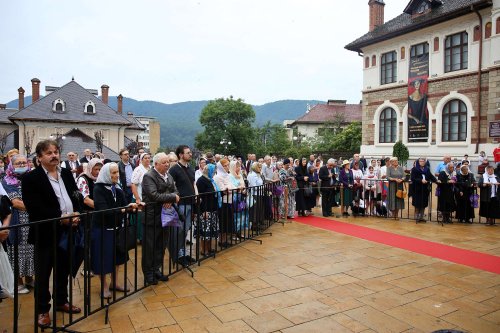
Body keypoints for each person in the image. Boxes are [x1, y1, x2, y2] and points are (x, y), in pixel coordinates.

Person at [22, 140, 82, 328]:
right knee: (43, 273)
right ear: (39, 157)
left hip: (68, 230)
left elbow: (76, 195)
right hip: (46, 232)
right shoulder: (32, 178)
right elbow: (34, 207)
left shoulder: (65, 173)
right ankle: (42, 310)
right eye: (49, 153)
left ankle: (61, 301)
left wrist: (78, 212)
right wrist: (60, 217)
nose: (54, 155)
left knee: (63, 269)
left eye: (56, 152)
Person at [92, 163, 136, 298]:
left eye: (117, 172)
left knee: (117, 257)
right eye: (113, 173)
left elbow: (124, 205)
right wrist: (124, 209)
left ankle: (114, 283)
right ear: (106, 174)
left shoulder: (117, 188)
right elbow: (104, 210)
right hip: (103, 229)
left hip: (117, 228)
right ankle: (104, 287)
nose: (117, 175)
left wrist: (133, 207)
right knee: (103, 258)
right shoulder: (98, 189)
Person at [141, 153, 180, 284]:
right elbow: (153, 195)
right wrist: (171, 197)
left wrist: (171, 197)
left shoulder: (168, 175)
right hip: (152, 217)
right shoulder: (148, 176)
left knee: (161, 245)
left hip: (166, 217)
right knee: (150, 247)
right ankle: (148, 274)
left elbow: (176, 191)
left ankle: (156, 269)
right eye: (164, 162)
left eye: (168, 162)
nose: (167, 164)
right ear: (156, 164)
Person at [1, 154, 34, 295]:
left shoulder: (31, 179)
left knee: (31, 250)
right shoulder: (7, 181)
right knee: (18, 251)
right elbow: (15, 202)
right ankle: (18, 282)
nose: (21, 165)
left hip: (32, 221)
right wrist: (36, 206)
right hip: (18, 222)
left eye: (23, 163)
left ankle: (29, 278)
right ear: (11, 165)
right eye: (17, 163)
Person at [168, 145, 196, 248]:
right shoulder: (174, 170)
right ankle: (178, 253)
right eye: (188, 153)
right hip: (181, 204)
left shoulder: (190, 168)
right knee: (179, 230)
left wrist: (196, 195)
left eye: (190, 152)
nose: (190, 154)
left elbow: (193, 183)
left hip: (190, 202)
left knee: (186, 228)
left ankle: (181, 251)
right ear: (180, 155)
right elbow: (170, 186)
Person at [195, 163, 220, 255]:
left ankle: (209, 248)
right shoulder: (201, 181)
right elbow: (200, 198)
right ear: (208, 171)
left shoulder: (211, 180)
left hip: (212, 208)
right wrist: (203, 211)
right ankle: (203, 249)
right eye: (213, 171)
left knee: (211, 231)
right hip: (205, 210)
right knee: (205, 230)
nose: (214, 172)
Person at [410, 158, 437, 222]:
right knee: (417, 203)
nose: (422, 162)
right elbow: (413, 178)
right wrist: (420, 180)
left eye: (423, 161)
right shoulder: (414, 169)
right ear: (418, 162)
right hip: (417, 189)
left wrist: (436, 180)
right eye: (420, 161)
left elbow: (431, 176)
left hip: (425, 189)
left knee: (424, 203)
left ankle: (421, 217)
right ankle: (416, 217)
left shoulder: (427, 169)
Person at [213, 159, 232, 248]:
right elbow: (222, 190)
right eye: (225, 166)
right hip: (222, 202)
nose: (227, 167)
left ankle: (225, 239)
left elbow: (232, 187)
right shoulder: (218, 177)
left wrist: (229, 188)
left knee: (227, 221)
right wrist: (228, 189)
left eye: (228, 165)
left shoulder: (228, 175)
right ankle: (221, 240)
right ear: (221, 167)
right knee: (222, 221)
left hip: (229, 200)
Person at [228, 160, 248, 237]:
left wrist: (244, 189)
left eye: (239, 166)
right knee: (235, 215)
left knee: (242, 214)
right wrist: (239, 188)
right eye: (237, 166)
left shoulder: (240, 175)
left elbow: (243, 185)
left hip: (241, 197)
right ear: (233, 167)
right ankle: (234, 233)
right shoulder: (230, 176)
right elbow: (232, 186)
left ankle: (239, 232)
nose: (238, 168)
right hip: (234, 198)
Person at [247, 162, 264, 231]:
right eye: (259, 167)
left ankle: (257, 224)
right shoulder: (252, 175)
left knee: (258, 210)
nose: (260, 169)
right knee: (254, 210)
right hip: (254, 194)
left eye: (260, 167)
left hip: (259, 194)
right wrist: (262, 187)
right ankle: (254, 226)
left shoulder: (257, 174)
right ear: (255, 167)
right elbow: (254, 187)